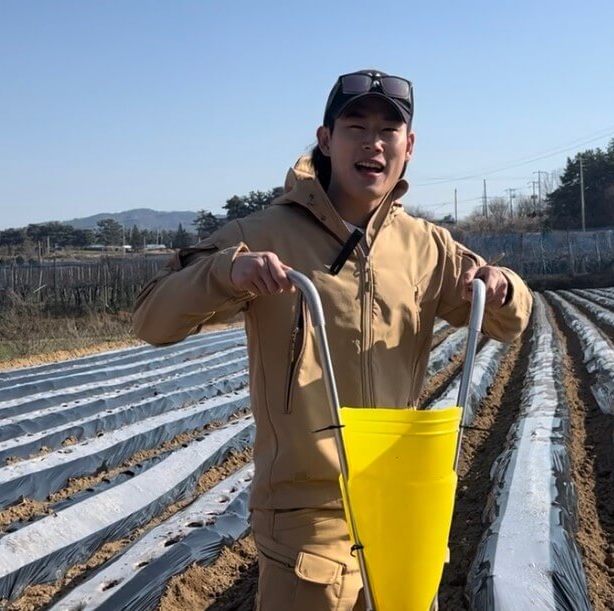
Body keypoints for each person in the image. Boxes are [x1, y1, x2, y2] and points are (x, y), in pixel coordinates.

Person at [132, 69, 532, 610]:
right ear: (326, 140)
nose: (373, 142)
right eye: (355, 127)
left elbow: (508, 321)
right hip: (306, 517)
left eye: (389, 130)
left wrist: (504, 286)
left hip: (399, 509)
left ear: (408, 147)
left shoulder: (426, 246)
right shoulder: (266, 233)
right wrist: (227, 273)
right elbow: (152, 320)